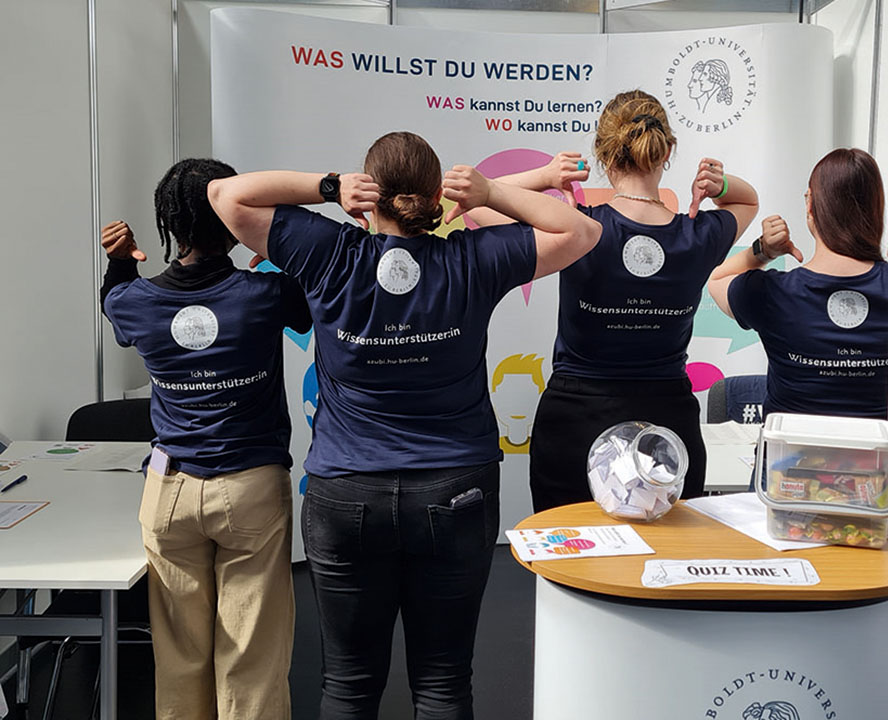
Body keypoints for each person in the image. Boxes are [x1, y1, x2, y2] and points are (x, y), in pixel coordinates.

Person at [207, 130, 601, 719]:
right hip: (455, 493)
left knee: (347, 684)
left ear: (371, 195)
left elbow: (226, 194)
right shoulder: (470, 257)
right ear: (434, 197)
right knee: (443, 682)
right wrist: (491, 189)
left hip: (345, 493)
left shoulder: (331, 251)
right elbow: (581, 231)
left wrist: (329, 187)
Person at [467, 90, 758, 512]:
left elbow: (479, 201)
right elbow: (747, 201)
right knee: (664, 568)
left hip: (575, 422)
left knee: (571, 567)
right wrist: (723, 183)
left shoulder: (577, 231)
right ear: (667, 151)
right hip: (667, 429)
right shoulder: (700, 235)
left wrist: (546, 175)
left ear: (604, 155)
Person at [100, 158, 311, 720]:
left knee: (178, 657)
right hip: (250, 487)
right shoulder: (265, 296)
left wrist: (120, 265)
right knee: (252, 655)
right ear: (232, 218)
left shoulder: (134, 302)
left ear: (168, 227)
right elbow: (310, 303)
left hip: (167, 493)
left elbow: (114, 305)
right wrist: (279, 252)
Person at [708, 147, 888, 419]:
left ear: (810, 205)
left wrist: (764, 251)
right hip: (877, 461)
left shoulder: (774, 293)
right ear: (877, 208)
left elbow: (716, 278)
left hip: (789, 461)